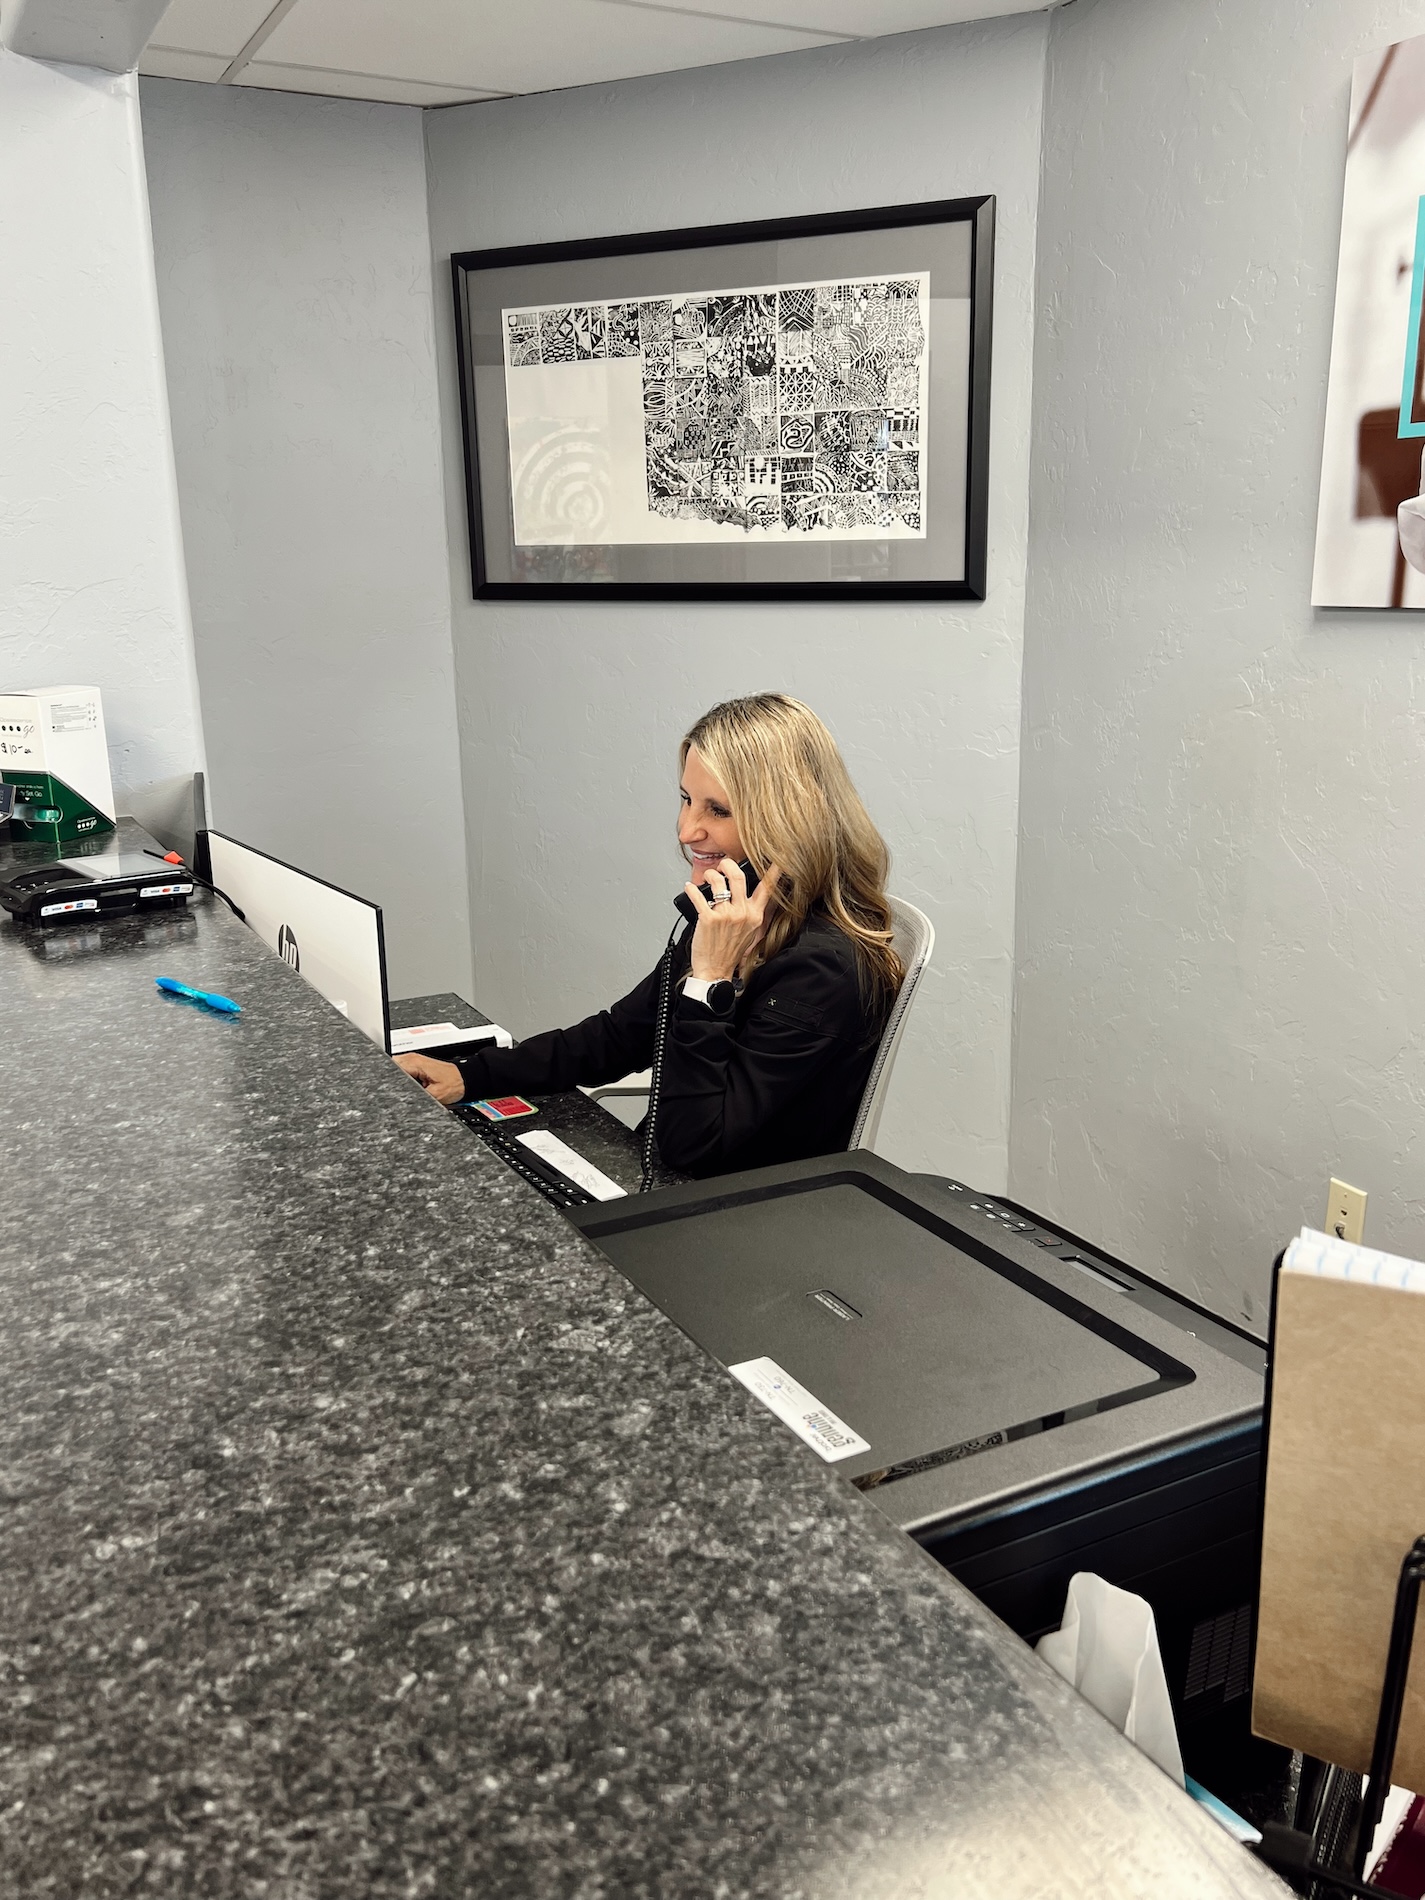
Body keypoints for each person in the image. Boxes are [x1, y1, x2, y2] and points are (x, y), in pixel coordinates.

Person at [394, 693, 904, 1179]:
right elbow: (621, 1036)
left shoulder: (825, 968)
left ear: (789, 819)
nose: (687, 830)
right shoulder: (737, 914)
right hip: (668, 1177)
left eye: (717, 810)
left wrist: (709, 981)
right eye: (686, 800)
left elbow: (693, 1148)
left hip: (735, 1214)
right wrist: (472, 1076)